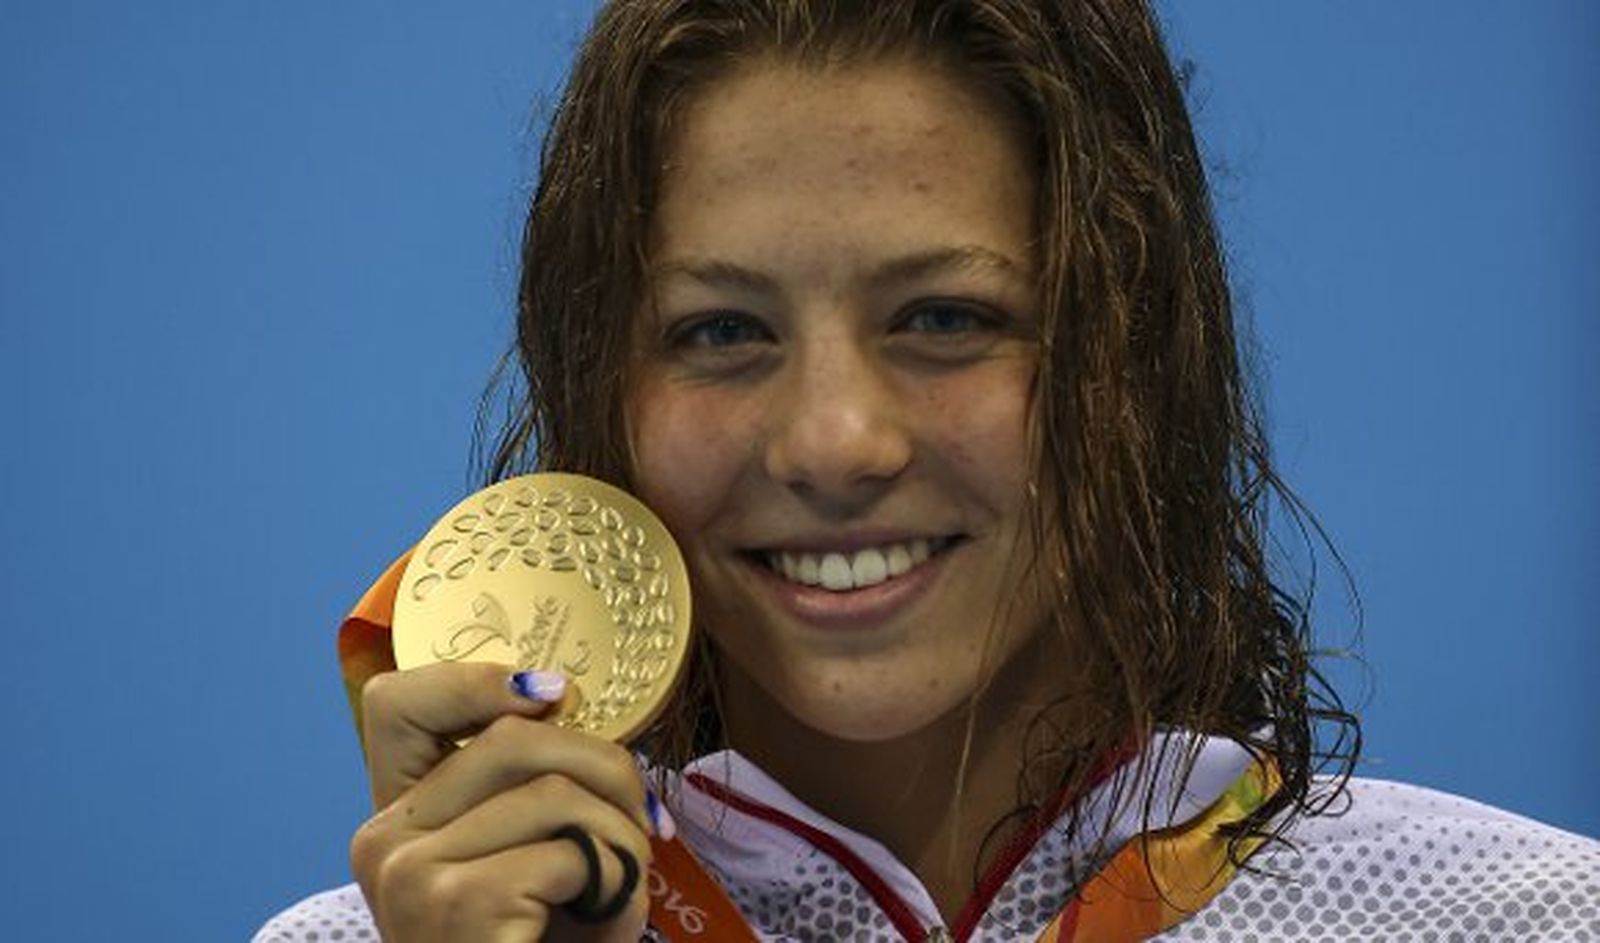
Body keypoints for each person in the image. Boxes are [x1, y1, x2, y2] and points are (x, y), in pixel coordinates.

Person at [255, 2, 1600, 940]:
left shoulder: (1523, 920)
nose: (836, 443)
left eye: (945, 318)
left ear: (1131, 352)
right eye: (722, 333)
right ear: (602, 397)